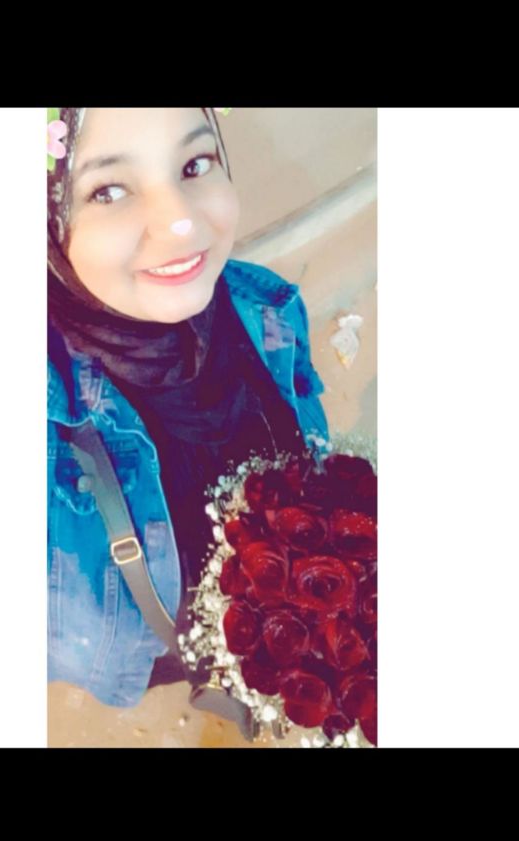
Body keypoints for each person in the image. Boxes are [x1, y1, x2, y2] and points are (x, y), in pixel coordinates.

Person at [47, 107, 331, 707]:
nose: (180, 223)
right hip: (155, 665)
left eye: (195, 164)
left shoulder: (266, 306)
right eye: (108, 191)